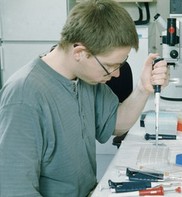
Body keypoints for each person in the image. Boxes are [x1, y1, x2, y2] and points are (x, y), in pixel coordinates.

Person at [0, 0, 168, 196]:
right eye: (110, 66)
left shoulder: (83, 78)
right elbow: (14, 190)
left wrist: (143, 88)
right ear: (79, 52)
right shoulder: (24, 96)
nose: (116, 74)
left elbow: (116, 124)